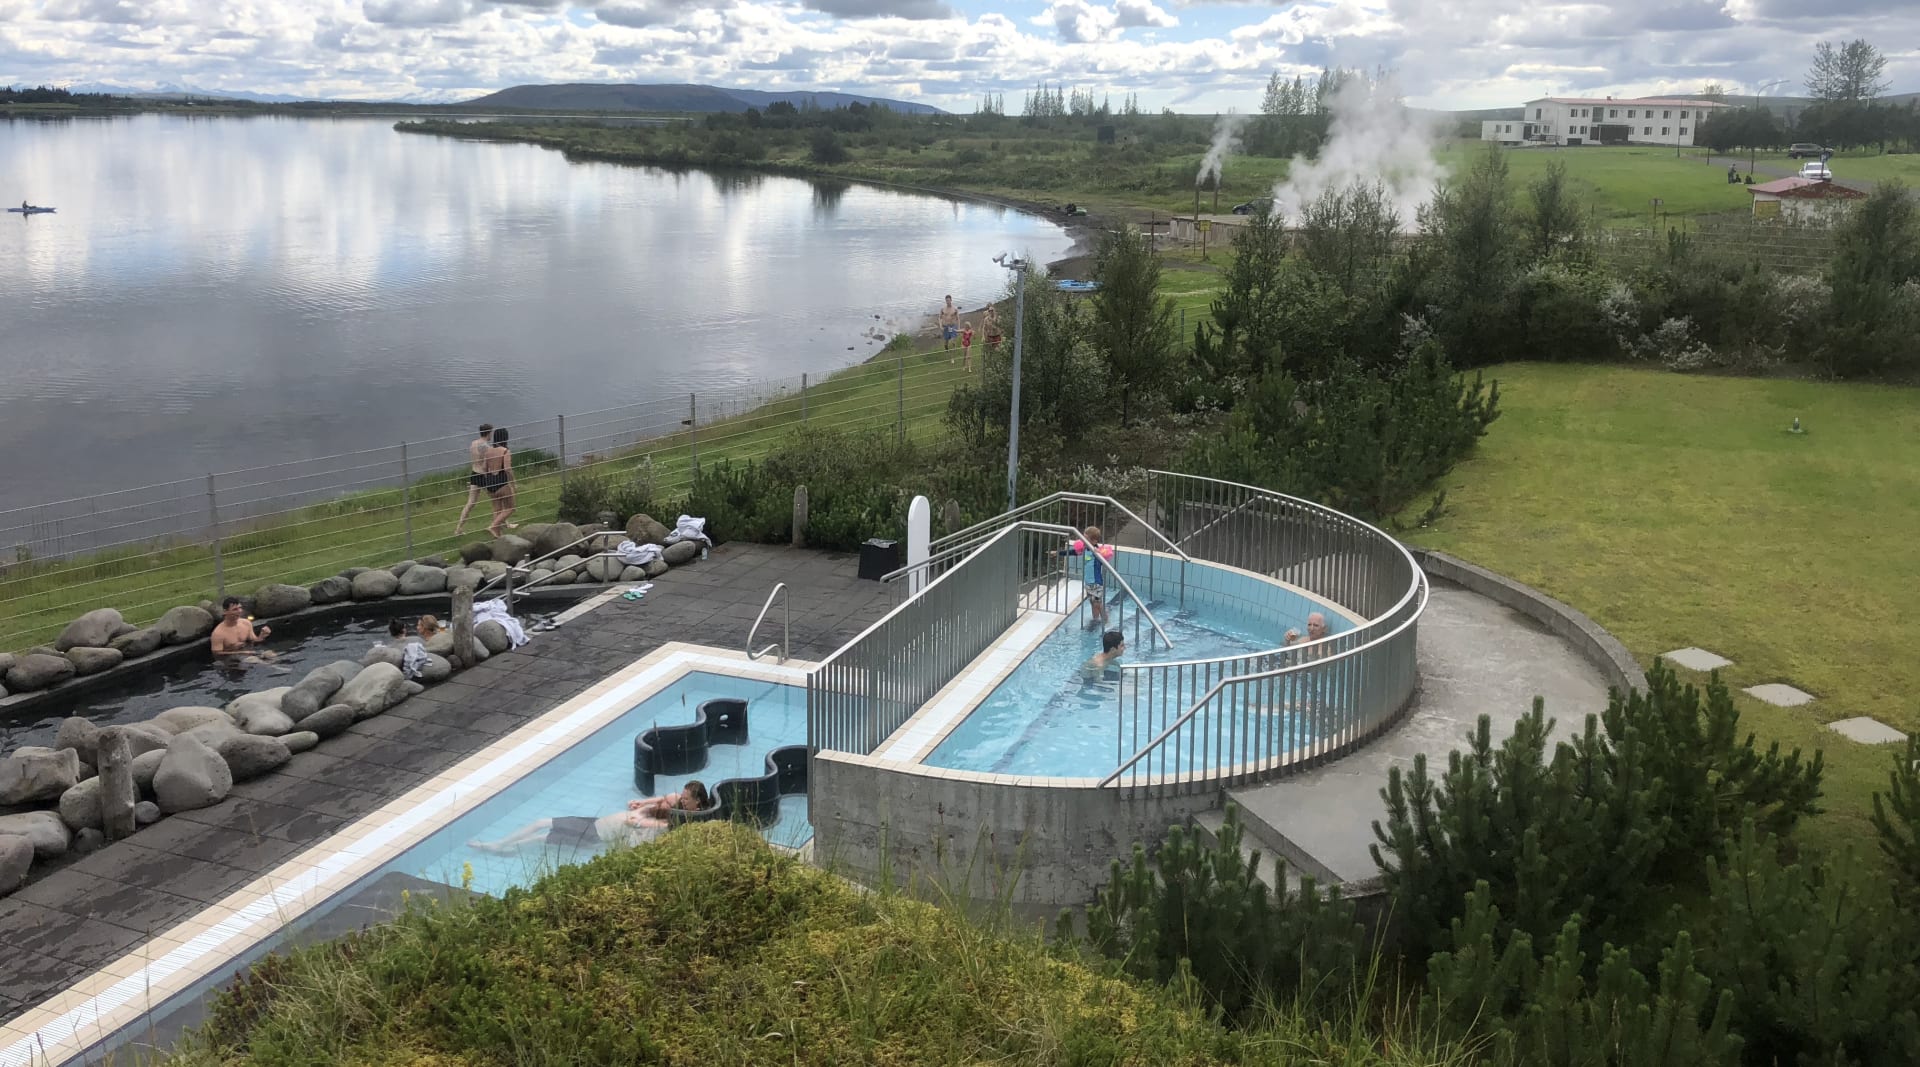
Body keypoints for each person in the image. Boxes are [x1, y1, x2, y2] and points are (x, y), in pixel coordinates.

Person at [469, 782, 711, 855]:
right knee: (543, 832)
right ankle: (503, 846)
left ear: (696, 803)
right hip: (596, 822)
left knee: (543, 830)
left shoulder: (671, 822)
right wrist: (644, 804)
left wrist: (638, 817)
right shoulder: (674, 804)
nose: (680, 798)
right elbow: (663, 798)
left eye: (685, 797)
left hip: (596, 834)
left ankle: (498, 846)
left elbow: (640, 824)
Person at [1059, 526, 1115, 629]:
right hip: (1088, 582)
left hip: (1096, 583)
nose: (1083, 541)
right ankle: (1095, 619)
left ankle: (1107, 622)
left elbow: (1104, 560)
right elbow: (1073, 552)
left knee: (1098, 604)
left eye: (1086, 539)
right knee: (1092, 602)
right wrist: (1058, 553)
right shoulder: (1085, 549)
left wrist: (1098, 554)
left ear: (1094, 540)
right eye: (1083, 538)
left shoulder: (1097, 553)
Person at [453, 423, 493, 536]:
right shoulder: (486, 447)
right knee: (497, 499)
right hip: (483, 475)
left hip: (474, 473)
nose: (492, 435)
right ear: (488, 433)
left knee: (470, 503)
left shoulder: (473, 443)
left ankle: (458, 528)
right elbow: (486, 464)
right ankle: (501, 523)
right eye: (491, 432)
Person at [210, 597, 275, 658]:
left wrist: (262, 635)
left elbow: (254, 640)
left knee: (271, 655)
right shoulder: (218, 633)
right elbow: (217, 654)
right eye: (235, 609)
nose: (239, 611)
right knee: (254, 661)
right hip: (231, 660)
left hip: (249, 652)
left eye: (240, 608)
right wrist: (240, 653)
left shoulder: (246, 623)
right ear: (225, 611)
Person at [483, 426, 517, 537]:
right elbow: (507, 469)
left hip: (490, 482)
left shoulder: (488, 451)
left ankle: (497, 534)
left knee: (497, 509)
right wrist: (513, 483)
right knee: (510, 508)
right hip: (501, 481)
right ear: (505, 438)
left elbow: (484, 468)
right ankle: (493, 526)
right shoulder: (505, 451)